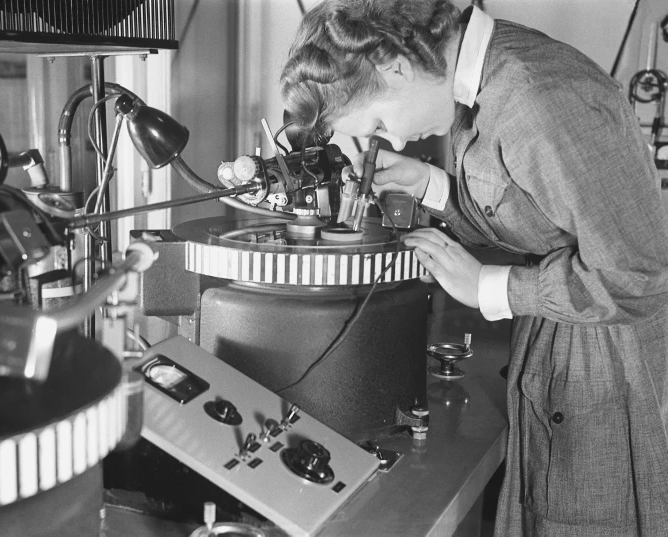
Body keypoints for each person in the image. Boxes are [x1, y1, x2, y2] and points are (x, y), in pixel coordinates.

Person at [280, 0, 668, 535]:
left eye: (378, 121)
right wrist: (429, 185)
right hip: (565, 343)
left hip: (611, 366)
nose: (390, 141)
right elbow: (532, 209)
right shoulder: (488, 74)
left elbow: (640, 279)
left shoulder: (540, 98)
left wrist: (488, 287)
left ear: (395, 63)